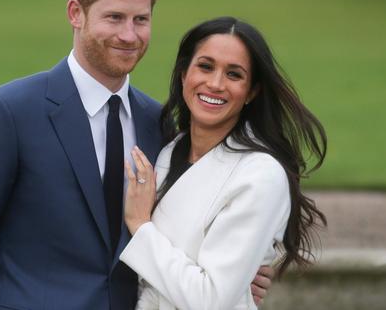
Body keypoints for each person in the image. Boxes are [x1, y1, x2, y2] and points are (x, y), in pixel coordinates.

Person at [0, 0, 272, 309]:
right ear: (76, 13)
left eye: (140, 19)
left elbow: (183, 229)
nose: (129, 35)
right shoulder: (7, 114)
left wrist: (236, 270)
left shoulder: (160, 125)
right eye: (114, 17)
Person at [119, 16, 328, 309]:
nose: (215, 84)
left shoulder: (260, 175)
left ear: (251, 92)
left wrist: (141, 227)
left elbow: (211, 301)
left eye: (234, 74)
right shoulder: (168, 152)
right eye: (205, 66)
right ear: (183, 75)